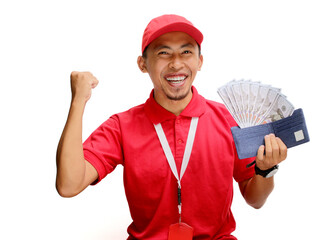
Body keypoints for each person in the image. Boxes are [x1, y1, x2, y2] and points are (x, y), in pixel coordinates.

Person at [56, 14, 287, 240]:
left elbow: (255, 200)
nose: (176, 63)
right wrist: (78, 101)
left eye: (186, 52)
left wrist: (266, 170)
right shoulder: (121, 127)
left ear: (200, 61)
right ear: (142, 64)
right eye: (163, 53)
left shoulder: (229, 120)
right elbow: (68, 185)